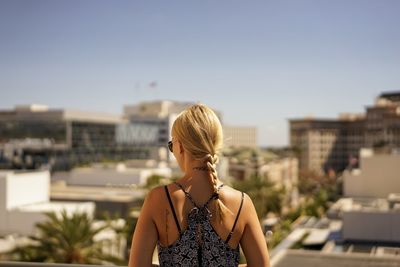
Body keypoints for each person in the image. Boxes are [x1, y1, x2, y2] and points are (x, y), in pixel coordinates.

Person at [128, 103, 270, 267]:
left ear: (180, 146)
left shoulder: (158, 199)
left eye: (171, 145)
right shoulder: (242, 203)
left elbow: (137, 265)